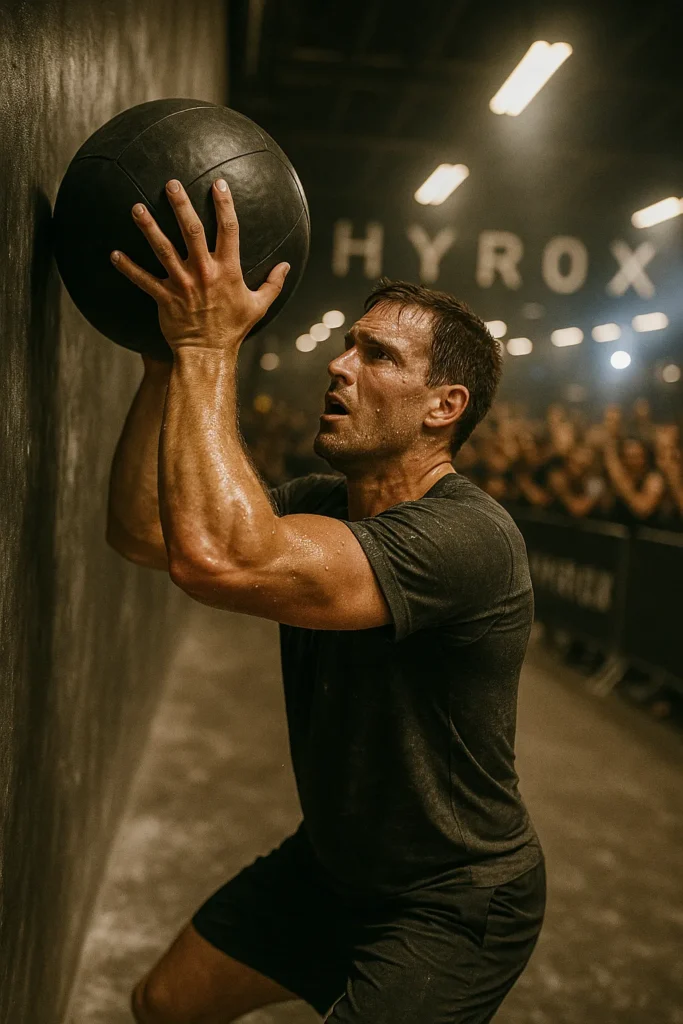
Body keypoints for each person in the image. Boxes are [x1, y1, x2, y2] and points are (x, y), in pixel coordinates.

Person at [106, 177, 545, 1024]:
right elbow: (142, 532)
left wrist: (207, 348)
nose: (339, 365)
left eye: (378, 356)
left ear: (442, 408)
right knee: (163, 1004)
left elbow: (218, 560)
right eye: (348, 345)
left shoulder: (470, 540)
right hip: (334, 867)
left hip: (452, 902)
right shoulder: (321, 503)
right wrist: (165, 362)